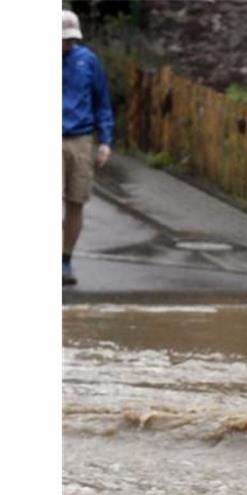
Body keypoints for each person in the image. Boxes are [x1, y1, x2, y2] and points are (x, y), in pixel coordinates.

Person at [62, 9, 114, 287]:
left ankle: (65, 260)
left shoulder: (87, 61)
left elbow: (102, 102)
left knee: (76, 202)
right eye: (62, 39)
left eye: (71, 39)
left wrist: (105, 141)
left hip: (81, 138)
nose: (66, 44)